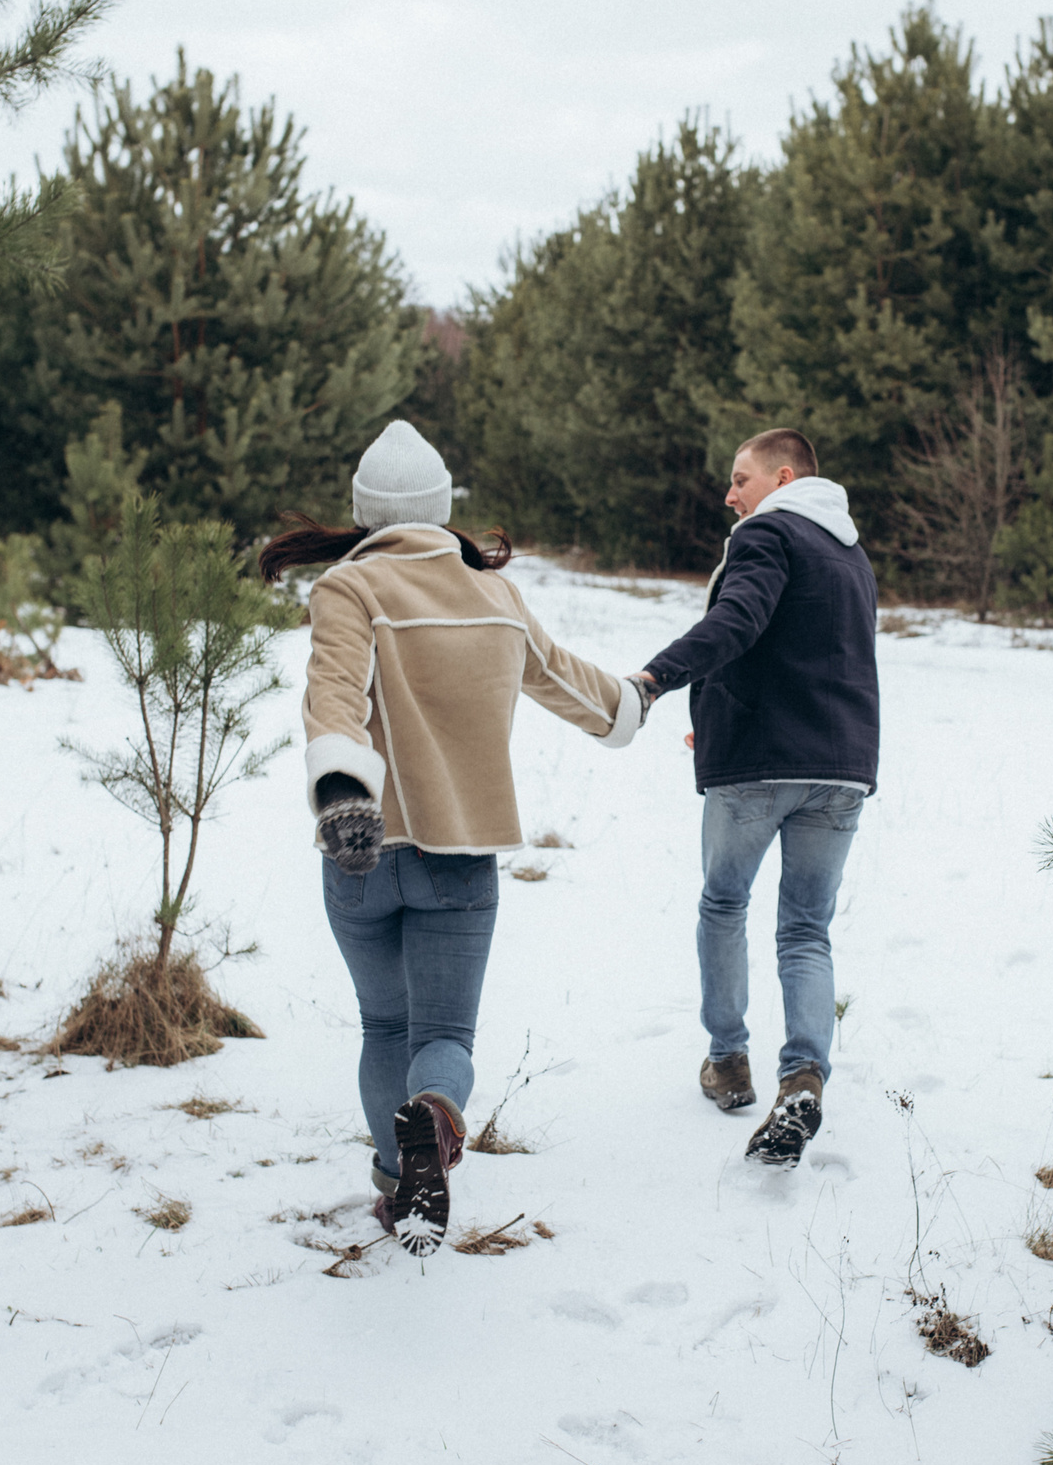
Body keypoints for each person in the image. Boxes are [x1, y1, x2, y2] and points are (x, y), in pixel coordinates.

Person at [262, 421, 644, 1255]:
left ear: (367, 513)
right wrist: (631, 702)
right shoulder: (496, 596)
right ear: (441, 510)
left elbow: (331, 694)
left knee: (380, 1026)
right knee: (443, 1039)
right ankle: (432, 1120)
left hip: (362, 846)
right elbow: (569, 681)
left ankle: (399, 1185)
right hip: (461, 854)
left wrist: (342, 789)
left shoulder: (349, 586)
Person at [633, 428, 879, 1168]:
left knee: (724, 903)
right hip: (841, 768)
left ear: (782, 476)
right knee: (807, 928)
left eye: (740, 479)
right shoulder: (850, 553)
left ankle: (728, 1061)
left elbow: (735, 624)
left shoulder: (767, 534)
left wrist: (654, 679)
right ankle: (803, 1075)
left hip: (759, 767)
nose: (729, 494)